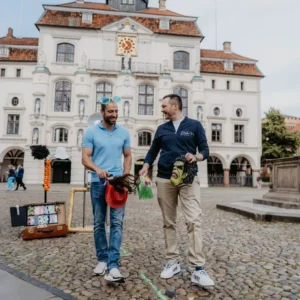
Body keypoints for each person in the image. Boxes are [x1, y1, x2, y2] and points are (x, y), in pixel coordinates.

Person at [139, 94, 214, 287]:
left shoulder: (195, 125)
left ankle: (198, 269)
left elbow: (205, 150)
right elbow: (153, 150)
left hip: (188, 178)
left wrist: (196, 156)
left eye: (164, 106)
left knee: (194, 220)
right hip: (164, 178)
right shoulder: (161, 128)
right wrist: (146, 165)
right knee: (168, 222)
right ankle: (172, 262)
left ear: (175, 106)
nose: (162, 109)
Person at [82, 99, 132, 283]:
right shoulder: (91, 132)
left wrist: (125, 176)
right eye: (110, 111)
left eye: (116, 111)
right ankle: (102, 260)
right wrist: (98, 170)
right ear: (102, 112)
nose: (114, 114)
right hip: (97, 183)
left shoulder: (124, 133)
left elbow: (128, 156)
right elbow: (85, 158)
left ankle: (114, 264)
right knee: (98, 223)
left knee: (117, 223)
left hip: (118, 185)